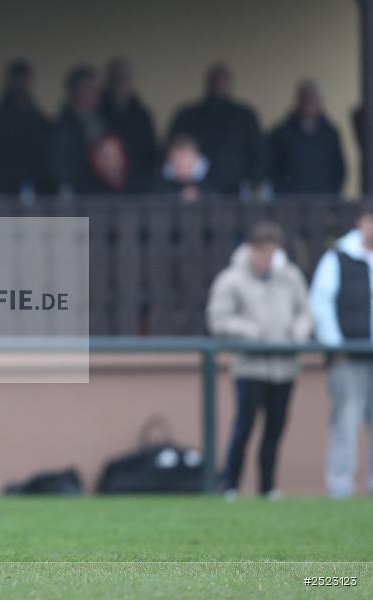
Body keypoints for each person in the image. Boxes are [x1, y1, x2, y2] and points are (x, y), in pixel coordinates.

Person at [206, 222, 312, 499]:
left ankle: (267, 486)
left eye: (271, 250)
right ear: (251, 250)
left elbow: (305, 312)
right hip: (249, 365)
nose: (266, 257)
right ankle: (230, 485)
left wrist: (297, 333)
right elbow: (218, 319)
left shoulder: (290, 276)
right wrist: (251, 332)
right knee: (245, 425)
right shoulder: (231, 279)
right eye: (261, 250)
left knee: (275, 429)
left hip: (283, 366)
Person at [309, 204, 373, 498]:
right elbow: (321, 304)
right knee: (345, 421)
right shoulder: (338, 257)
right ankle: (340, 485)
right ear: (362, 222)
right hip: (349, 356)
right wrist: (338, 345)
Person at [167, 63, 264, 196]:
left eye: (223, 82)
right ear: (207, 84)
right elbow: (170, 154)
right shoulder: (188, 116)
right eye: (215, 82)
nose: (219, 86)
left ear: (230, 85)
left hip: (235, 191)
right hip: (195, 191)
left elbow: (259, 154)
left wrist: (251, 183)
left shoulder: (244, 117)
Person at [0, 60, 54, 197]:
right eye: (17, 81)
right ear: (9, 82)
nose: (20, 85)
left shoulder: (39, 121)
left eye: (24, 81)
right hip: (1, 188)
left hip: (35, 188)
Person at [268, 80, 344, 196]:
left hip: (323, 202)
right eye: (305, 99)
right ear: (298, 101)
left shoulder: (330, 134)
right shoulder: (281, 134)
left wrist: (333, 195)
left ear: (320, 102)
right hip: (289, 203)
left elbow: (339, 169)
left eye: (313, 99)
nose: (309, 103)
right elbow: (272, 169)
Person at [99, 57, 157, 193]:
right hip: (101, 188)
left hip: (138, 185)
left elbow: (151, 152)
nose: (120, 84)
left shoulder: (142, 115)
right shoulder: (97, 112)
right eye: (115, 79)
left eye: (124, 79)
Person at [51, 65, 106, 196]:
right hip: (77, 198)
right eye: (86, 89)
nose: (93, 94)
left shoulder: (101, 123)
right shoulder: (62, 127)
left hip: (101, 196)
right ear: (73, 92)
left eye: (94, 89)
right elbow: (58, 168)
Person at [155, 135, 214, 202]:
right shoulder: (159, 185)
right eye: (176, 157)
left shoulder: (210, 184)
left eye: (184, 156)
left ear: (196, 158)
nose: (180, 162)